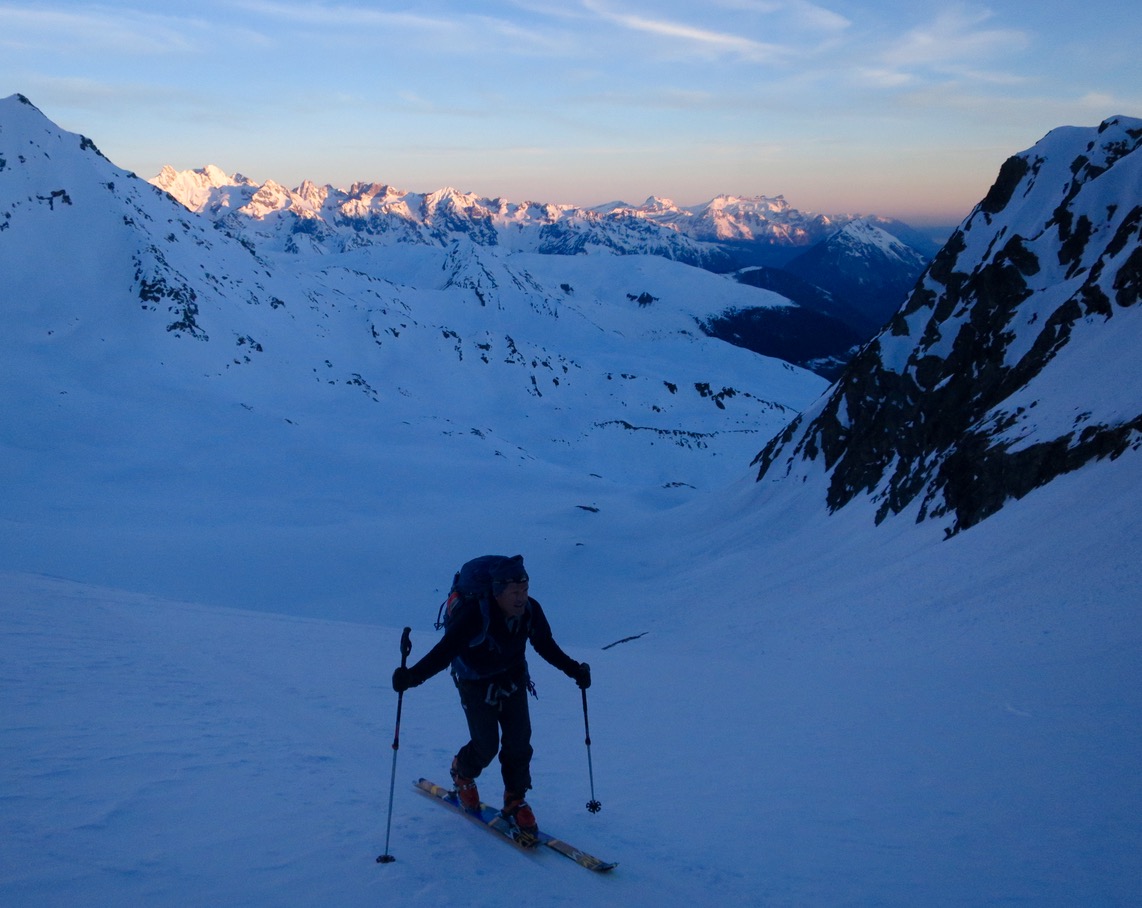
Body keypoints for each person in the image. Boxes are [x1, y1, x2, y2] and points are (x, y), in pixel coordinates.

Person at [392, 554, 591, 837]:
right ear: (498, 592)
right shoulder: (474, 615)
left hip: (512, 678)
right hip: (474, 683)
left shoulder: (531, 611)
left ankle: (515, 798)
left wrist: (574, 670)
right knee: (486, 746)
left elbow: (545, 645)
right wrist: (411, 677)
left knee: (519, 741)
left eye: (525, 590)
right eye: (515, 592)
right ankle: (462, 772)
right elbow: (444, 652)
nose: (521, 598)